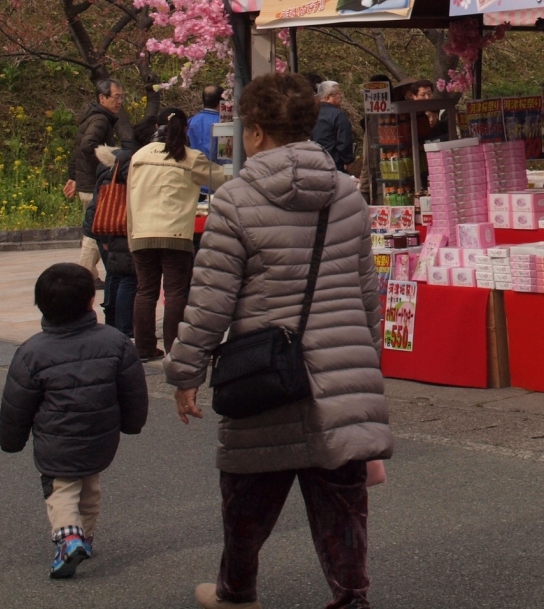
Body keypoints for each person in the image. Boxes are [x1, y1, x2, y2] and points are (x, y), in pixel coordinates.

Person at [165, 72, 391, 609]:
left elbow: (211, 299)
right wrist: (368, 361)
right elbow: (367, 290)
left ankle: (237, 591)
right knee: (343, 500)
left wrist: (186, 372)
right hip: (340, 368)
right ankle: (351, 598)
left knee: (248, 491)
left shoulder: (235, 200)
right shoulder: (347, 194)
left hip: (267, 370)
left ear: (257, 132)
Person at [0, 263, 148, 579]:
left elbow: (17, 404)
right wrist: (132, 424)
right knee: (90, 488)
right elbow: (133, 391)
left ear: (41, 305)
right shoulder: (116, 342)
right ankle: (85, 537)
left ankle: (69, 538)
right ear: (91, 301)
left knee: (62, 489)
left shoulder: (31, 352)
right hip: (100, 437)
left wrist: (11, 441)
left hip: (56, 440)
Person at [128, 108, 226, 361]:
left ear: (156, 127)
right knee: (175, 292)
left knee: (145, 291)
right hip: (176, 233)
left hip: (142, 232)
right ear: (185, 129)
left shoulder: (139, 155)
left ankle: (144, 348)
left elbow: (130, 197)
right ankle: (175, 348)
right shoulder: (189, 157)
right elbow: (223, 179)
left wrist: (132, 235)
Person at [82, 117, 157, 335]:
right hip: (120, 226)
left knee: (115, 274)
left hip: (106, 225)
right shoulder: (132, 162)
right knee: (128, 276)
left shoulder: (116, 159)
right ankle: (123, 327)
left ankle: (113, 322)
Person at [64, 78, 127, 280]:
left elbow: (77, 149)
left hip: (86, 181)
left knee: (92, 229)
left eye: (122, 97)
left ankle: (88, 273)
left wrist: (73, 176)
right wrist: (107, 164)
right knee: (96, 231)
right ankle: (84, 275)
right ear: (102, 98)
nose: (119, 102)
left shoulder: (92, 116)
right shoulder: (100, 120)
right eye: (116, 97)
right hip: (93, 183)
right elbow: (87, 146)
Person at [311, 79, 356, 172]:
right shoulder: (338, 115)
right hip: (334, 163)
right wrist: (347, 160)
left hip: (313, 161)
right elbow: (344, 140)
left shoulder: (310, 114)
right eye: (338, 94)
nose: (341, 96)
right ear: (329, 97)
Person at [188, 85, 224, 162]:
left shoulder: (191, 121)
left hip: (194, 165)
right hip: (218, 167)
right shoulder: (224, 123)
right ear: (222, 101)